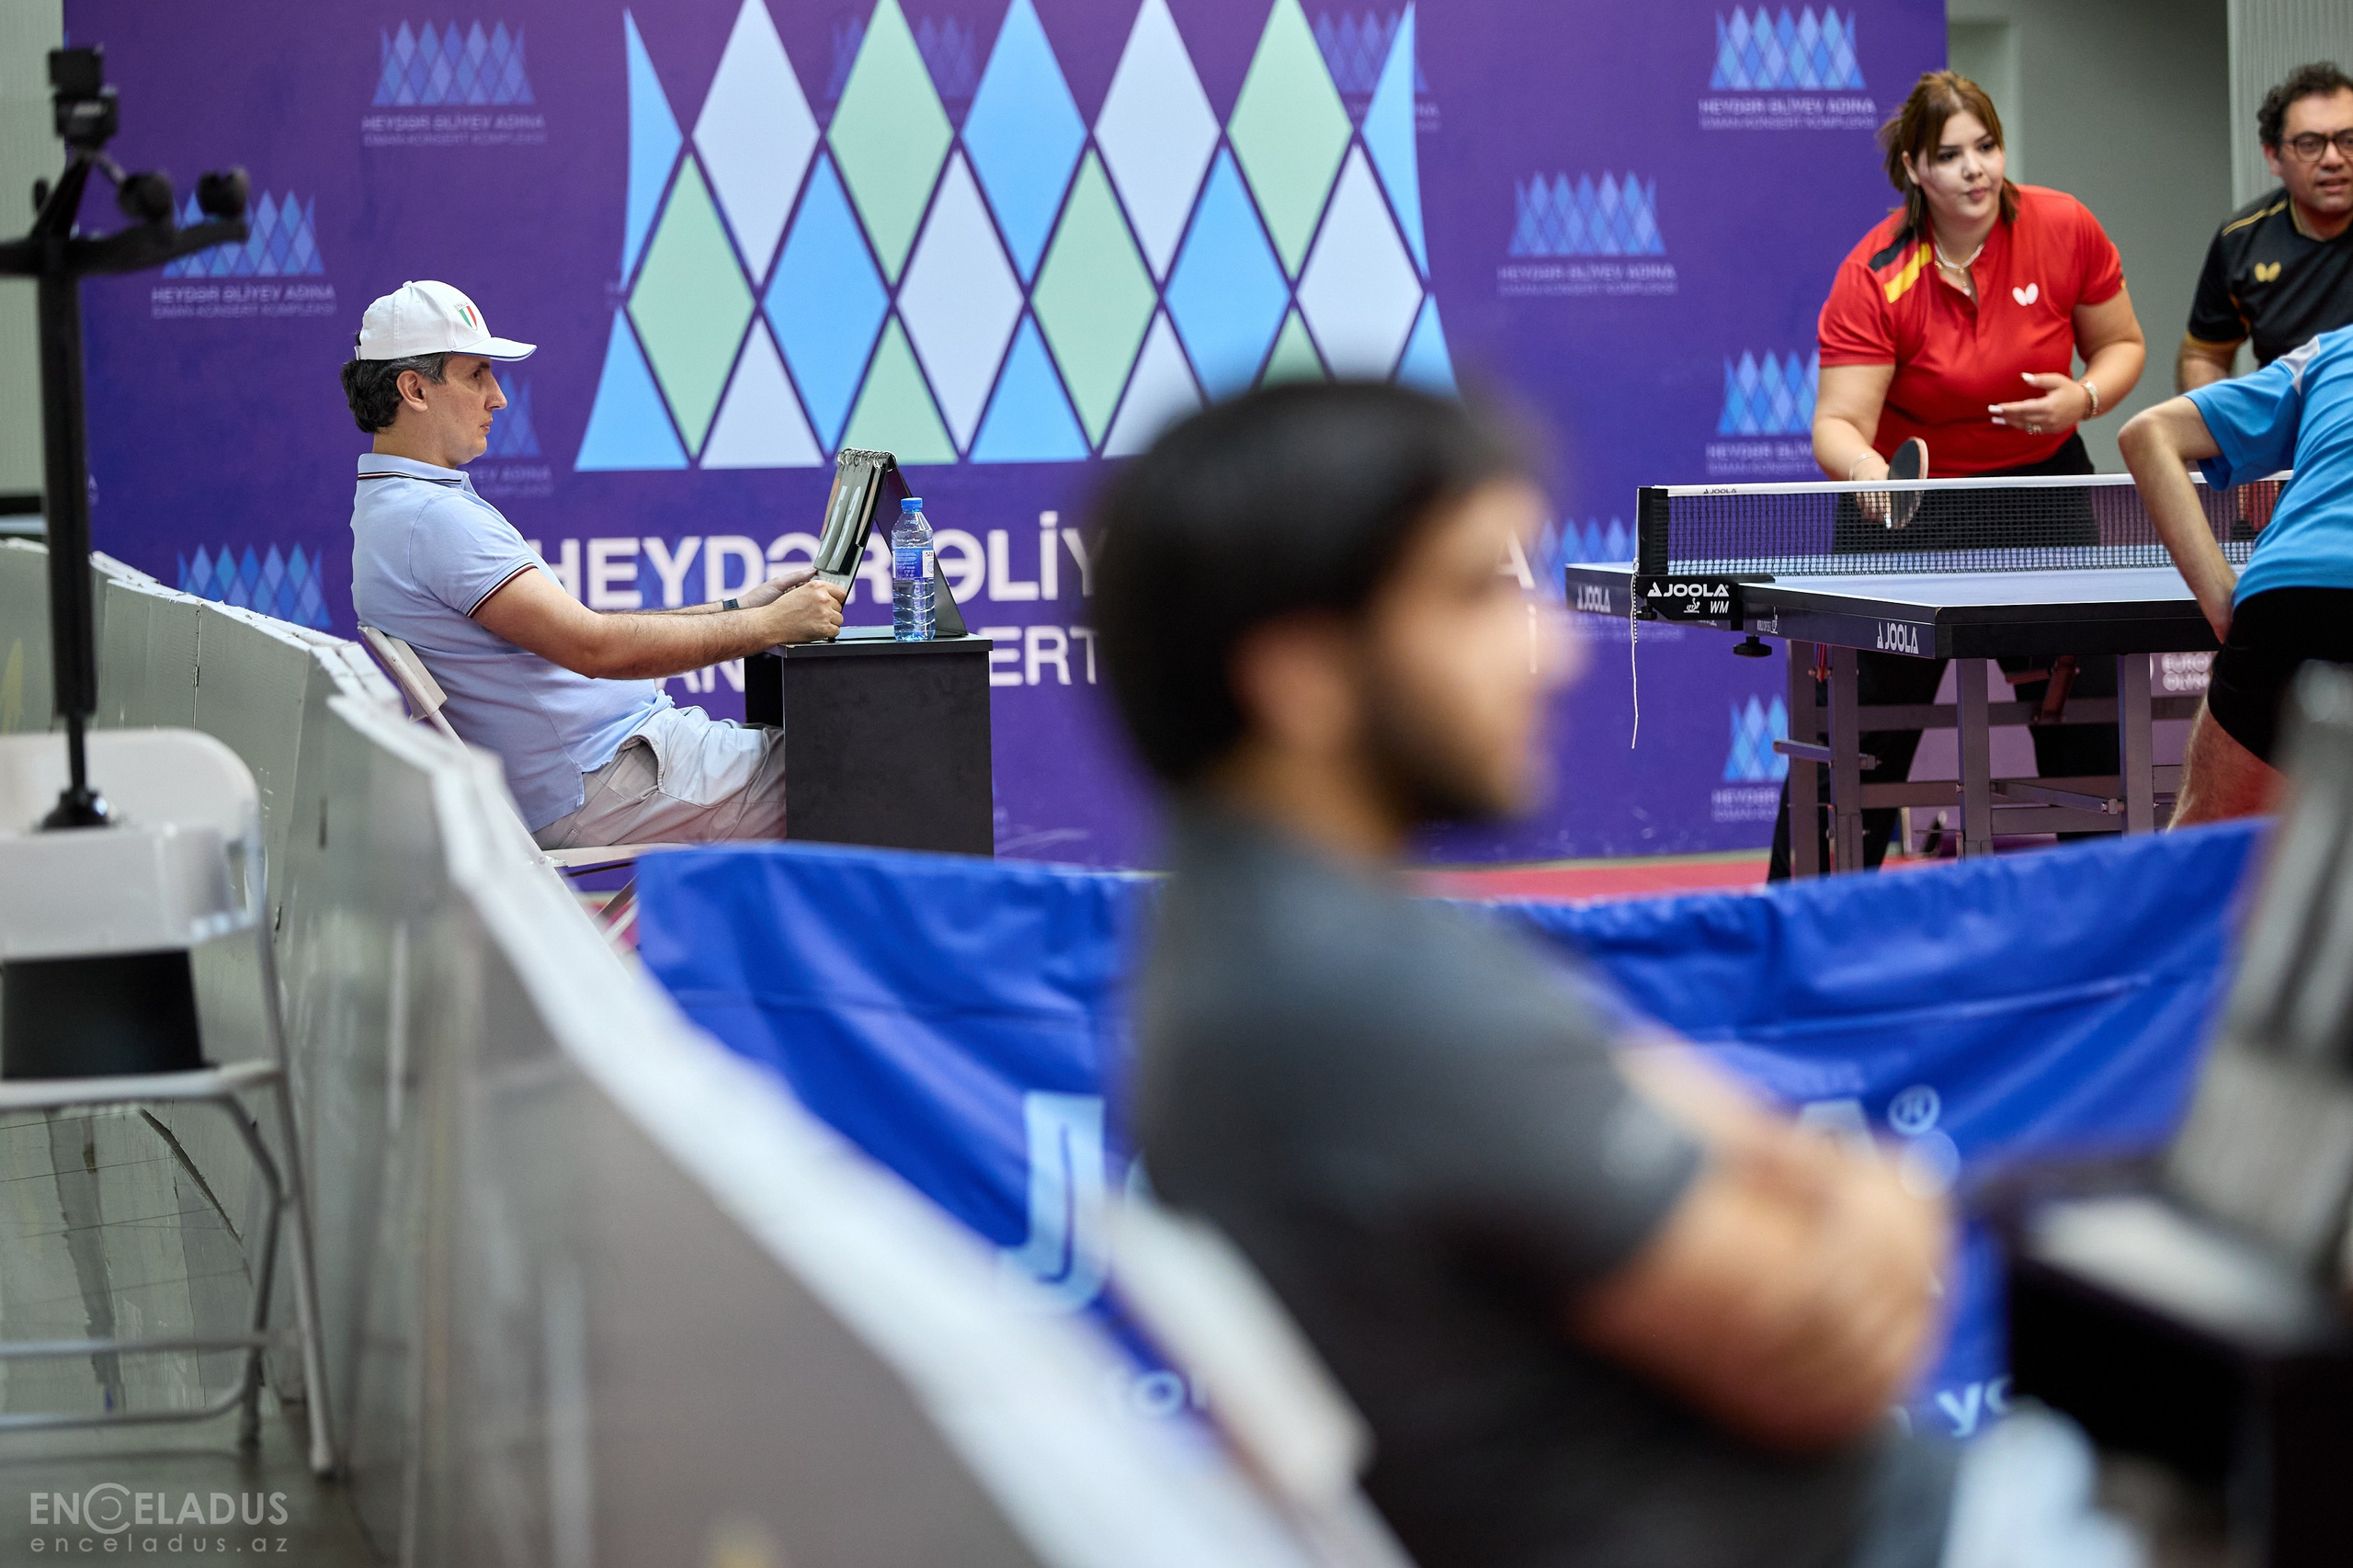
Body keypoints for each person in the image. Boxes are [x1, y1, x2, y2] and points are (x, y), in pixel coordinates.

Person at [1097, 382, 1967, 1568]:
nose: (1551, 650)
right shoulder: (1366, 992)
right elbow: (1828, 1346)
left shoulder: (1263, 935)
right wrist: (1894, 1199)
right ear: (1300, 672)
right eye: (1471, 594)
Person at [1777, 71, 2148, 877]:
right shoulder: (1877, 273)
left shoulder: (2062, 225)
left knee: (2083, 729)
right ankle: (1795, 909)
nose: (1976, 169)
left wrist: (2082, 398)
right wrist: (1872, 470)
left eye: (1987, 146)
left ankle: (2112, 907)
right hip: (1912, 513)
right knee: (1861, 731)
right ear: (1915, 169)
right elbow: (1836, 424)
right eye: (1950, 155)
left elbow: (2123, 347)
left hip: (2042, 494)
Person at [344, 280, 846, 847]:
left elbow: (586, 632)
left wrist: (736, 608)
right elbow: (594, 649)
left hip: (617, 766)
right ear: (414, 388)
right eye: (476, 373)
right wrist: (771, 625)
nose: (498, 397)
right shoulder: (431, 518)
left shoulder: (398, 506)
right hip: (608, 777)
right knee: (873, 771)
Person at [2120, 325, 2353, 824]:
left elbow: (2148, 433)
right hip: (2305, 591)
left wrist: (2225, 602)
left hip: (2296, 600)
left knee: (2198, 851)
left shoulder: (2332, 352)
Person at [2178, 62, 2353, 392]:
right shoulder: (2242, 241)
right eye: (2310, 144)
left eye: (2349, 140)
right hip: (2291, 423)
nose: (2333, 159)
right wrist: (2219, 437)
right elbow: (2205, 355)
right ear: (2274, 158)